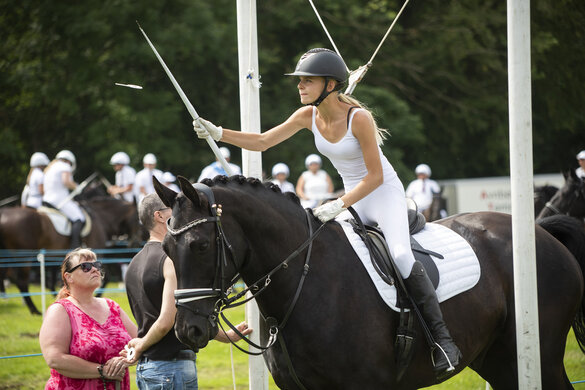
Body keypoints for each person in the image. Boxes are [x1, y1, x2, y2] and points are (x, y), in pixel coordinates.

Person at [192, 48, 461, 377]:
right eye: (300, 80)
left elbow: (375, 176)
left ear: (330, 85)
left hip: (381, 193)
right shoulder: (307, 116)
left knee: (402, 255)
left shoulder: (358, 118)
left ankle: (441, 340)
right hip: (351, 196)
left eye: (307, 80)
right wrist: (219, 133)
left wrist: (339, 203)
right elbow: (262, 141)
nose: (300, 86)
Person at [124, 193, 252, 389]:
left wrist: (225, 336)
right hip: (171, 370)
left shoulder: (133, 264)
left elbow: (185, 312)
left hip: (147, 370)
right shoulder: (169, 261)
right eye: (172, 210)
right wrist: (141, 345)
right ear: (159, 216)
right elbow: (167, 321)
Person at [39, 248, 138, 390]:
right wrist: (103, 371)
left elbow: (140, 343)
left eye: (96, 265)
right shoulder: (60, 310)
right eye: (86, 267)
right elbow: (55, 359)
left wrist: (125, 361)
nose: (94, 270)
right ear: (69, 277)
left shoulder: (112, 306)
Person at [42, 150, 86, 248]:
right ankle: (75, 245)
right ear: (69, 161)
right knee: (79, 217)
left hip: (46, 200)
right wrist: (76, 186)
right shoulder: (65, 166)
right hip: (60, 200)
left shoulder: (50, 167)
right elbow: (66, 181)